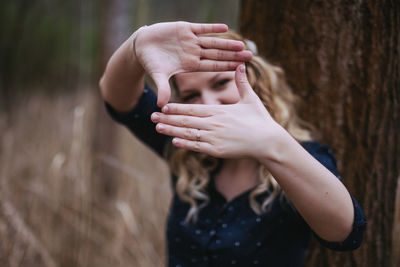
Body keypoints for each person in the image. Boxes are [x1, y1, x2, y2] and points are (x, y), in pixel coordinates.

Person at [99, 21, 366, 267]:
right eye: (192, 95)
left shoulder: (299, 157)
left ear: (256, 82)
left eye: (221, 83)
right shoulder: (187, 148)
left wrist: (271, 143)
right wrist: (137, 45)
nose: (209, 104)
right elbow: (120, 101)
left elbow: (346, 232)